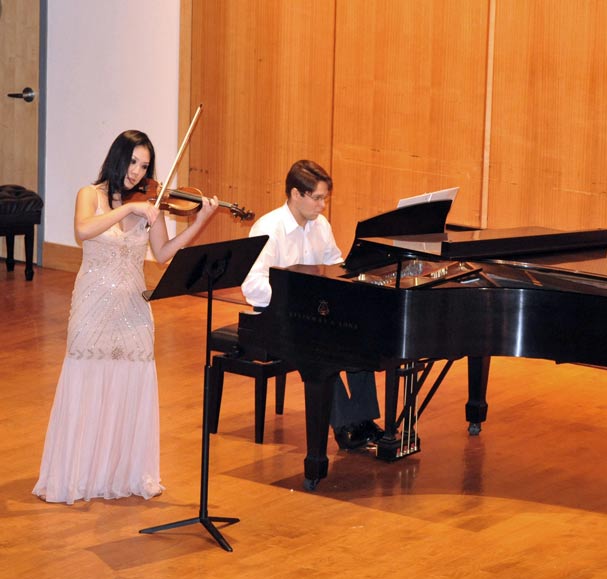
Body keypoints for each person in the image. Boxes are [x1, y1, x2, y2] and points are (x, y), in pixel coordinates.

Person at [33, 130, 219, 504]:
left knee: (129, 382)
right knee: (87, 382)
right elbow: (83, 230)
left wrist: (201, 222)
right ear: (118, 157)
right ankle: (80, 474)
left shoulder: (150, 202)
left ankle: (122, 473)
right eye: (133, 162)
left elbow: (163, 252)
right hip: (92, 305)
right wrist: (128, 209)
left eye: (145, 165)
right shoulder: (92, 195)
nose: (137, 172)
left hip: (134, 310)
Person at [241, 159, 382, 450]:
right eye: (317, 198)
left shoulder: (321, 226)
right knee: (323, 351)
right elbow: (251, 286)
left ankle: (364, 421)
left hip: (311, 315)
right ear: (295, 194)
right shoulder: (267, 228)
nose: (322, 206)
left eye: (324, 199)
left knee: (359, 336)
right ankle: (345, 428)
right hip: (274, 318)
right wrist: (294, 300)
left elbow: (334, 266)